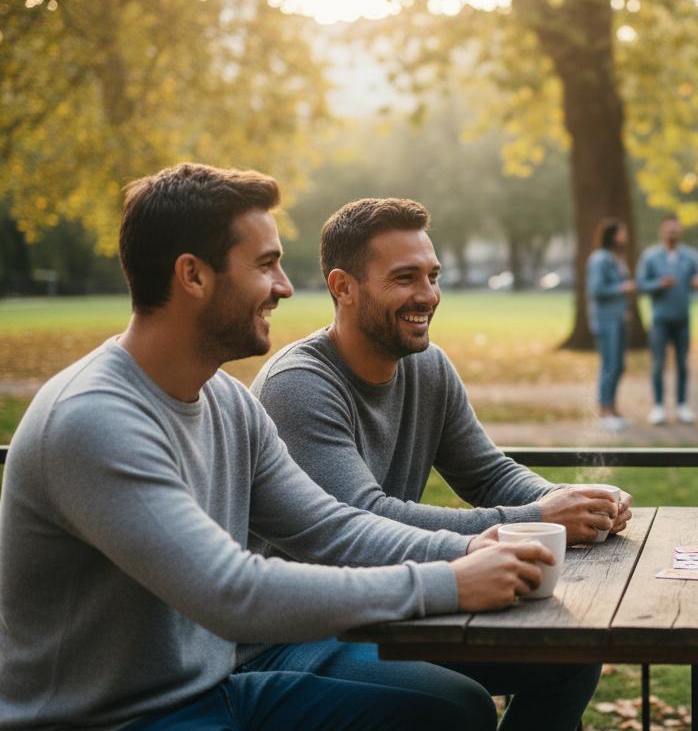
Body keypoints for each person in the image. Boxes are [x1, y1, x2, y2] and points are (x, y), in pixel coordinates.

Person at [0, 164, 550, 730]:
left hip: (214, 690)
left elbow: (329, 526)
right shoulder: (93, 419)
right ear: (193, 276)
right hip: (114, 719)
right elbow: (232, 592)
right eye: (266, 265)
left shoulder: (225, 400)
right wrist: (447, 581)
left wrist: (466, 551)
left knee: (451, 711)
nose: (285, 287)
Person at [251, 198, 629, 729]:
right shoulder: (300, 386)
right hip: (308, 626)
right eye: (404, 278)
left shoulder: (426, 364)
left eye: (433, 275)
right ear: (343, 287)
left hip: (398, 602)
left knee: (569, 656)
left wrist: (574, 502)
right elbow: (360, 517)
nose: (427, 295)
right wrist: (536, 518)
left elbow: (486, 472)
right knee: (455, 704)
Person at [636, 214, 698, 425]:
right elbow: (640, 285)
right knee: (658, 364)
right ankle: (658, 406)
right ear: (662, 231)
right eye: (669, 229)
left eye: (676, 229)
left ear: (680, 232)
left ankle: (682, 405)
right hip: (660, 320)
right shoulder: (650, 256)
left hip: (683, 319)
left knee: (682, 364)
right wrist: (659, 284)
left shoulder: (690, 257)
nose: (672, 233)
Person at [587, 218, 637, 431]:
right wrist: (622, 287)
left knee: (619, 365)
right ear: (612, 235)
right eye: (621, 233)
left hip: (618, 319)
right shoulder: (600, 259)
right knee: (609, 365)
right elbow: (597, 290)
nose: (625, 237)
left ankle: (613, 408)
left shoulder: (617, 258)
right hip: (606, 322)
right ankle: (604, 410)